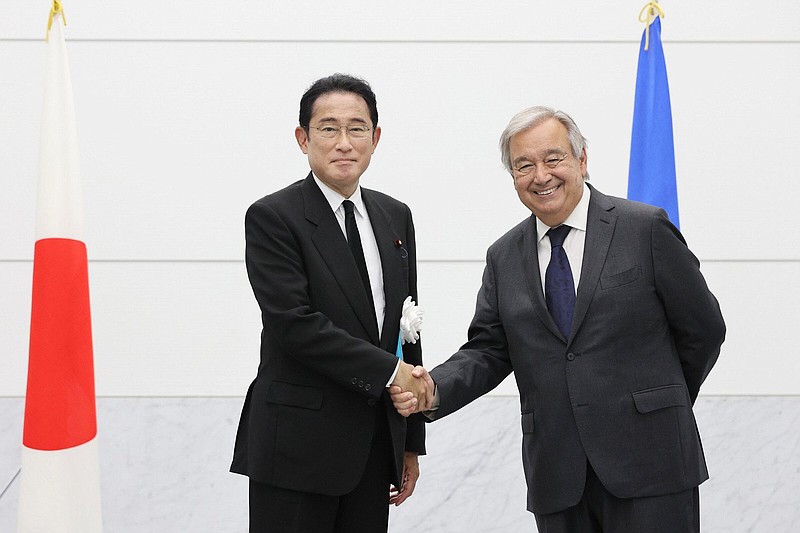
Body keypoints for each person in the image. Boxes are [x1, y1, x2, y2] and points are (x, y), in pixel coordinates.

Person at [391, 106, 726, 532]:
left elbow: (704, 329)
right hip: (558, 475)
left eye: (553, 159)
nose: (540, 175)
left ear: (581, 160)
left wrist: (661, 400)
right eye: (524, 166)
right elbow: (489, 351)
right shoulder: (504, 256)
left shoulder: (644, 228)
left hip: (652, 464)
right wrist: (433, 389)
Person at [231, 73, 430, 533]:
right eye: (328, 128)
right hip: (296, 451)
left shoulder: (395, 215)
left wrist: (409, 439)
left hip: (374, 447)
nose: (344, 142)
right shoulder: (273, 217)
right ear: (303, 139)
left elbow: (407, 328)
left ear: (375, 139)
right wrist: (388, 371)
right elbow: (295, 324)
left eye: (357, 128)